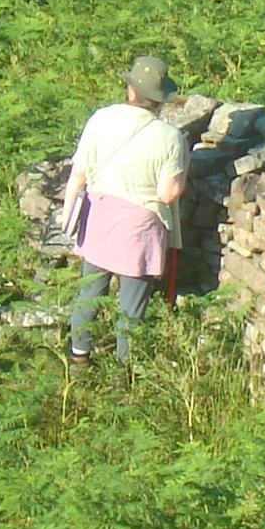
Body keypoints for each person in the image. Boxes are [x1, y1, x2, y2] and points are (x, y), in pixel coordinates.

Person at [62, 55, 191, 365]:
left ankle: (79, 357)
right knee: (131, 307)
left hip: (99, 217)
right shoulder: (170, 137)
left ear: (132, 89)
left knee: (89, 294)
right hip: (140, 227)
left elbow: (78, 175)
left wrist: (67, 220)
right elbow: (168, 193)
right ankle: (125, 374)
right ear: (160, 98)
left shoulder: (101, 118)